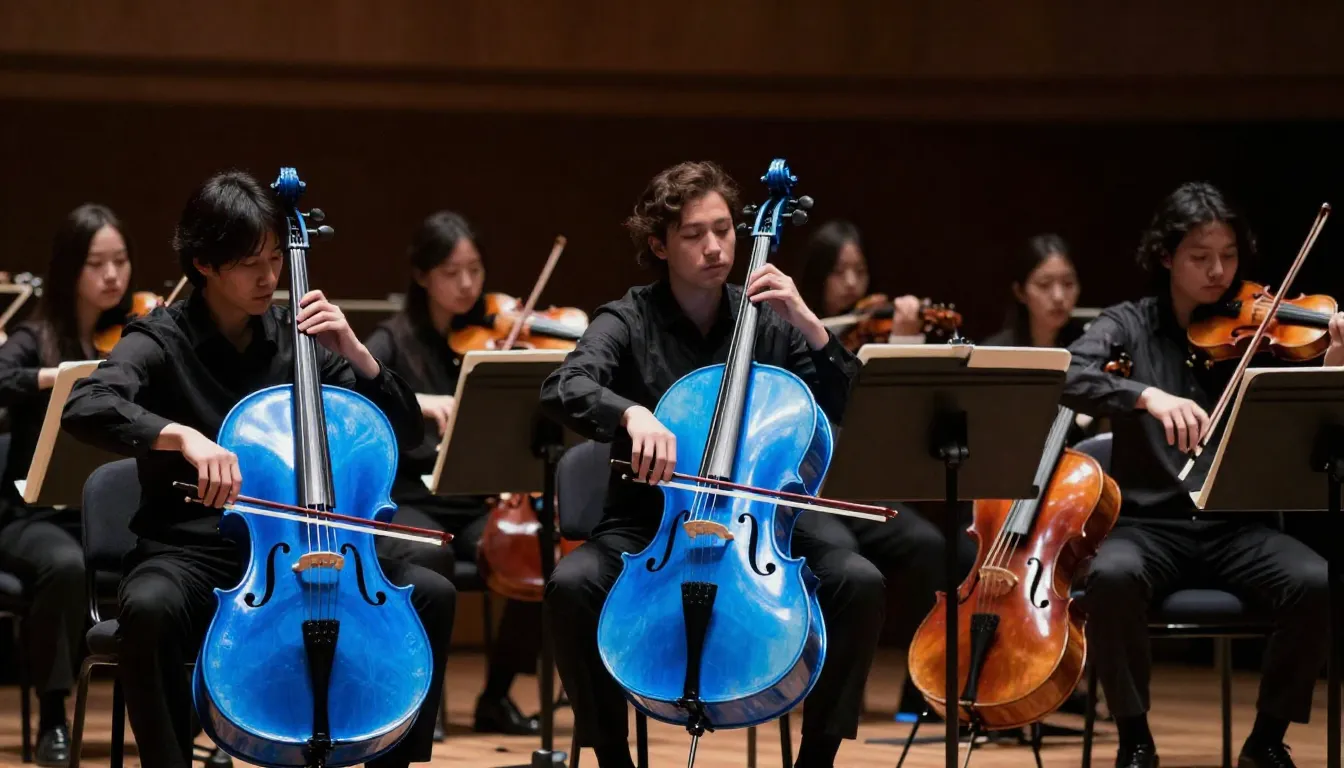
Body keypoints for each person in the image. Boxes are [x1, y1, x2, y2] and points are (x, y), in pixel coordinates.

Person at [59, 171, 455, 768]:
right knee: (149, 606)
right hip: (191, 553)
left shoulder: (298, 341)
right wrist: (180, 435)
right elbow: (87, 404)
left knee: (432, 595)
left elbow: (406, 433)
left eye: (275, 258)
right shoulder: (161, 337)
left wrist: (358, 354)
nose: (270, 278)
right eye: (250, 264)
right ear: (204, 263)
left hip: (296, 551)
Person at [540, 161, 886, 768]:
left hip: (759, 524)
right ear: (659, 245)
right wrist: (632, 414)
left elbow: (848, 405)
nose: (715, 247)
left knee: (858, 582)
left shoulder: (772, 321)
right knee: (571, 587)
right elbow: (564, 385)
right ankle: (613, 760)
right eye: (694, 234)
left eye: (724, 230)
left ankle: (818, 761)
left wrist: (810, 324)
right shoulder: (627, 319)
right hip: (652, 524)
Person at [1063, 181, 1339, 768]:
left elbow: (1316, 416)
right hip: (1149, 527)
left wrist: (1336, 359)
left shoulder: (1264, 332)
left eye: (1229, 256)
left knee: (1317, 581)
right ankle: (1135, 740)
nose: (1218, 272)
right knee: (1110, 577)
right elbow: (1068, 373)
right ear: (1166, 256)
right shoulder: (1129, 325)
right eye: (1200, 257)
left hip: (1239, 526)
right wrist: (1144, 395)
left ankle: (1267, 741)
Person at [363, 210, 542, 735]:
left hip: (471, 497)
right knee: (430, 556)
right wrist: (417, 401)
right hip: (408, 499)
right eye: (451, 272)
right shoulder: (391, 342)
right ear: (422, 276)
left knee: (539, 550)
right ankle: (424, 699)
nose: (467, 284)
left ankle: (497, 696)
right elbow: (354, 394)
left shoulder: (493, 337)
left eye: (475, 270)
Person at [795, 219, 976, 720]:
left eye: (860, 270)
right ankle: (834, 693)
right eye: (840, 272)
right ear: (817, 277)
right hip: (807, 492)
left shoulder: (866, 340)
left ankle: (920, 693)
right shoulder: (791, 333)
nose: (853, 283)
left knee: (932, 546)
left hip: (859, 490)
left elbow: (893, 420)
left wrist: (901, 344)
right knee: (843, 554)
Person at [0, 204, 132, 765]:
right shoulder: (35, 338)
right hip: (32, 517)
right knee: (66, 565)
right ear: (69, 269)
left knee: (181, 554)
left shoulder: (131, 339)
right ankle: (54, 718)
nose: (112, 275)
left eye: (121, 260)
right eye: (96, 264)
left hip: (102, 518)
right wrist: (55, 378)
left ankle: (183, 712)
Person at [981, 233, 1085, 349]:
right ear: (1020, 292)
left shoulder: (1091, 347)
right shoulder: (995, 351)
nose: (1058, 296)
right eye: (1044, 285)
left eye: (1068, 283)